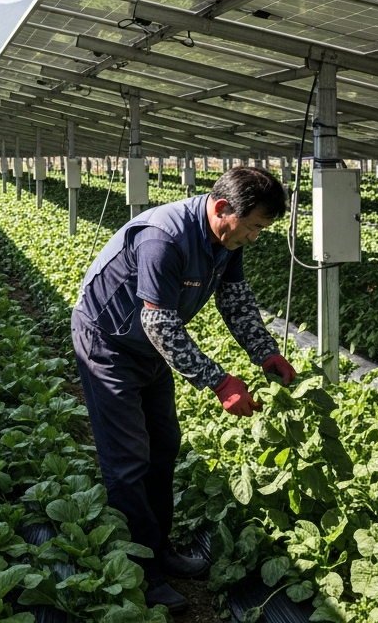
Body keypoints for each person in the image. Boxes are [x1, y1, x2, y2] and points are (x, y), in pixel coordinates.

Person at [71, 166, 296, 614]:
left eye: (261, 230)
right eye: (253, 227)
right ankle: (144, 572)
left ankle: (161, 549)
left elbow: (234, 299)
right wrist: (219, 381)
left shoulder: (225, 240)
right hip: (108, 344)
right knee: (128, 458)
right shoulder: (164, 238)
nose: (253, 237)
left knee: (164, 446)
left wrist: (264, 353)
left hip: (149, 347)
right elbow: (158, 321)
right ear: (221, 208)